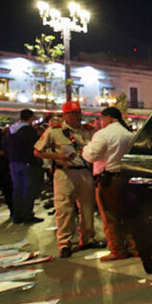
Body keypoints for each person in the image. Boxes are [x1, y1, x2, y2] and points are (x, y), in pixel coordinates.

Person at [35, 101, 97, 257]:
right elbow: (37, 152)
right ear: (65, 115)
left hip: (85, 172)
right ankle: (65, 243)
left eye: (79, 112)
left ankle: (87, 239)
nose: (77, 116)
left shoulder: (88, 131)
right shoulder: (54, 131)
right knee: (64, 209)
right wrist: (57, 156)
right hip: (65, 173)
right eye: (73, 113)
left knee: (87, 208)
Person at [83, 107, 138, 261]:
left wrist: (85, 148)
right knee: (128, 215)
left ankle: (117, 250)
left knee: (110, 216)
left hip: (109, 179)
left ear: (107, 117)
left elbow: (91, 155)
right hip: (127, 177)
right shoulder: (129, 135)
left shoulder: (103, 134)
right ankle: (135, 247)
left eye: (101, 118)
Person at [5, 109, 44, 224]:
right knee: (29, 190)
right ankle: (27, 215)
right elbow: (34, 147)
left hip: (14, 163)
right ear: (31, 118)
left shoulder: (10, 130)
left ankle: (17, 215)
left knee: (17, 190)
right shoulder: (28, 130)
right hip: (27, 163)